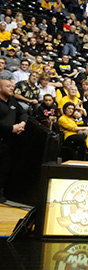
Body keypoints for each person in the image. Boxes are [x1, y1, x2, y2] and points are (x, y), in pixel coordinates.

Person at [0, 73, 28, 203]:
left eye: (12, 86)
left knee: (4, 169)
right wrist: (11, 128)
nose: (12, 88)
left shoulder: (12, 102)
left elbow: (23, 113)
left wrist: (22, 123)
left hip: (8, 142)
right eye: (8, 86)